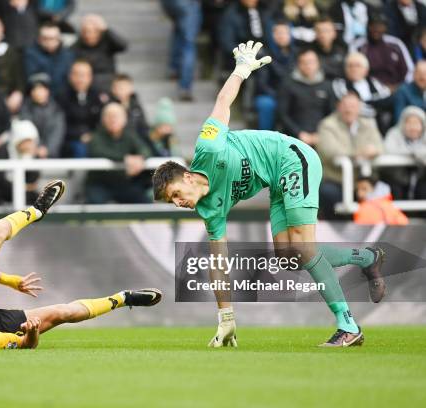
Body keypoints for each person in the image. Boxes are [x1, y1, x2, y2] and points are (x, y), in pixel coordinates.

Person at [152, 41, 385, 348]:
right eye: (172, 202)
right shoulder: (209, 210)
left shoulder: (208, 148)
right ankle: (367, 258)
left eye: (175, 193)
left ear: (187, 176)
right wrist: (226, 318)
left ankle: (348, 325)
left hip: (291, 157)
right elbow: (218, 263)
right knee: (288, 257)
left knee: (303, 245)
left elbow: (222, 102)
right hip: (276, 183)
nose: (178, 202)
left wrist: (240, 71)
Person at [0, 180, 162, 349]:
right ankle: (124, 299)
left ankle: (36, 210)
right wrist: (32, 333)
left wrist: (10, 280)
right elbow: (26, 345)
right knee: (63, 313)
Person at [316, 92, 383, 218]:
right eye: (345, 105)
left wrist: (374, 150)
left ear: (359, 107)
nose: (349, 109)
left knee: (387, 189)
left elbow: (379, 146)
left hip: (364, 180)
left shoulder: (368, 123)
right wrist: (358, 153)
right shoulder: (327, 125)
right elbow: (330, 152)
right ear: (338, 107)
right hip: (336, 180)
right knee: (327, 192)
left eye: (353, 106)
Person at [86, 103, 151, 204]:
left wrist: (140, 158)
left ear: (124, 119)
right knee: (95, 205)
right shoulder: (96, 136)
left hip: (124, 183)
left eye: (116, 116)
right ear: (103, 119)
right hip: (100, 183)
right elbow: (98, 152)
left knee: (144, 202)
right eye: (109, 116)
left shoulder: (130, 135)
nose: (113, 119)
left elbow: (145, 149)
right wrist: (125, 159)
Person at [277, 48, 335, 147]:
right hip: (294, 136)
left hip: (321, 135)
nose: (308, 66)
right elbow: (282, 114)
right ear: (298, 64)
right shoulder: (288, 84)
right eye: (304, 62)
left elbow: (331, 114)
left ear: (318, 63)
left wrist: (321, 134)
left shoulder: (327, 86)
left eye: (311, 62)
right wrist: (299, 133)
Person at [351, 13, 414, 91]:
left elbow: (410, 70)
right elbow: (353, 71)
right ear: (368, 27)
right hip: (369, 90)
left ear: (386, 28)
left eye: (380, 26)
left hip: (398, 89)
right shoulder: (358, 46)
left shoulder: (396, 43)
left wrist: (401, 88)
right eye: (373, 25)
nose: (376, 29)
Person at [72, 13, 127, 92]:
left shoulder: (107, 41)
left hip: (108, 82)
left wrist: (106, 29)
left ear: (99, 32)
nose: (89, 35)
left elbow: (123, 46)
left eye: (93, 31)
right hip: (87, 84)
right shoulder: (77, 45)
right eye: (86, 31)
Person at [381, 106, 426, 200]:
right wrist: (413, 153)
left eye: (416, 123)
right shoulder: (393, 134)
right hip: (397, 179)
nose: (413, 127)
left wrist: (418, 153)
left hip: (421, 180)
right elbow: (388, 151)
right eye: (409, 122)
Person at [24, 23, 75, 96]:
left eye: (52, 38)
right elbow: (33, 79)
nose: (49, 42)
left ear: (59, 38)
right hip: (41, 97)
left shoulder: (68, 55)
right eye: (45, 38)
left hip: (65, 97)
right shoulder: (30, 54)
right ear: (39, 39)